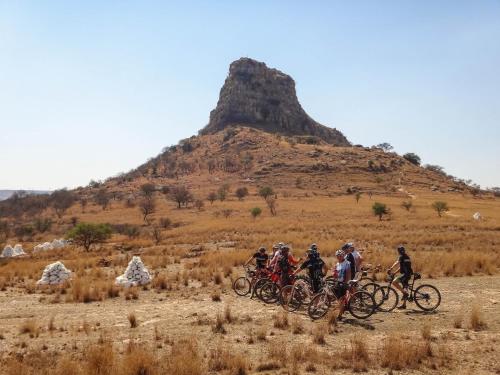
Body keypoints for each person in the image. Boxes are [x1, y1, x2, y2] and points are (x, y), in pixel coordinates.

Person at [332, 249, 351, 319]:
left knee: (341, 299)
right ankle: (342, 309)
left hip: (343, 283)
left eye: (340, 256)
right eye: (338, 256)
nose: (339, 257)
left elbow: (349, 274)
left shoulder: (347, 263)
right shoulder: (337, 264)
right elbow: (335, 273)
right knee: (338, 298)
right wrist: (334, 273)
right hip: (338, 282)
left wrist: (345, 283)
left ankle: (339, 315)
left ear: (343, 256)